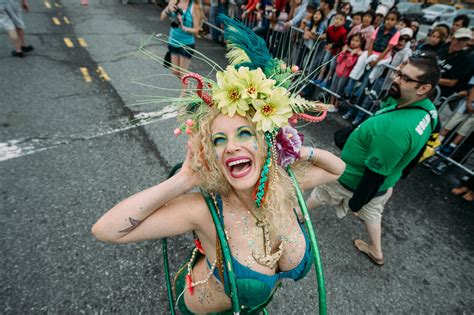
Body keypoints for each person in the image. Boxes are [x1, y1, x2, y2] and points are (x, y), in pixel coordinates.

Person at [92, 16, 346, 314]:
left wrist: (297, 150)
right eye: (218, 140)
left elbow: (336, 170)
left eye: (244, 133)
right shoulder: (206, 209)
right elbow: (106, 230)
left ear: (264, 142)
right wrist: (183, 180)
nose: (231, 146)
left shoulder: (285, 184)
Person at [308, 56, 440, 265]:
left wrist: (355, 203)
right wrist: (401, 174)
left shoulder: (393, 131)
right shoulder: (428, 110)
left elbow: (373, 174)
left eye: (404, 78)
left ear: (423, 88)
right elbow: (423, 144)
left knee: (322, 192)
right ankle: (376, 251)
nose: (395, 79)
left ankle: (297, 215)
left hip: (350, 178)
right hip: (385, 183)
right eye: (397, 72)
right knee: (373, 214)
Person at [161, 0, 203, 97]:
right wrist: (168, 8)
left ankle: (183, 98)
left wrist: (184, 28)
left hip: (186, 44)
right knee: (175, 71)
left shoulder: (194, 7)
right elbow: (162, 17)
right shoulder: (174, 1)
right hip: (173, 41)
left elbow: (197, 30)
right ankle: (190, 86)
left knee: (183, 73)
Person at [329, 33, 363, 109]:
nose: (354, 42)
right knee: (333, 88)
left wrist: (351, 54)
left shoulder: (357, 53)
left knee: (339, 91)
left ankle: (335, 106)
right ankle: (331, 103)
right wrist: (343, 52)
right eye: (353, 40)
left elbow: (349, 64)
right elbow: (338, 60)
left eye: (357, 41)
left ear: (360, 43)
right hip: (337, 72)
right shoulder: (346, 48)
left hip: (345, 75)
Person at [437, 28, 474, 98]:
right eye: (459, 39)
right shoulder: (443, 49)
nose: (460, 43)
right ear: (452, 38)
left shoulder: (464, 59)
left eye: (464, 41)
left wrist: (431, 79)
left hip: (440, 92)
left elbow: (451, 82)